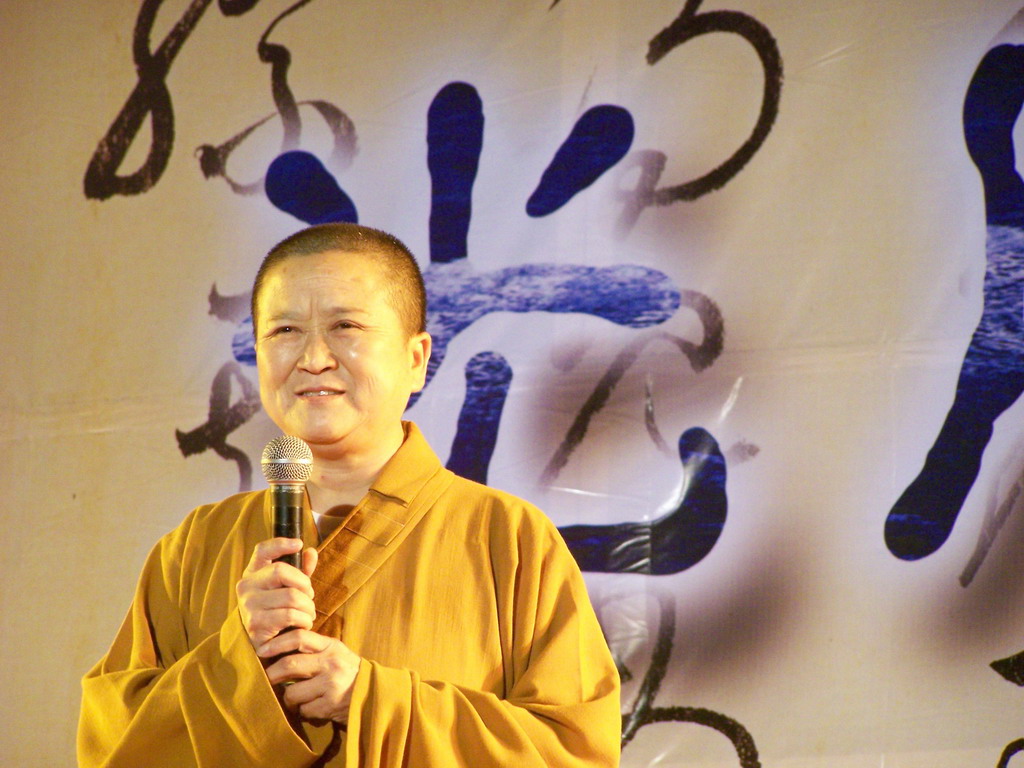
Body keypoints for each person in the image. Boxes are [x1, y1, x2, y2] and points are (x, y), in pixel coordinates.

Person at [78, 222, 621, 767]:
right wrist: (235, 662)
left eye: (345, 326)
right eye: (285, 330)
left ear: (416, 359)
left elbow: (575, 751)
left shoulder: (509, 538)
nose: (313, 357)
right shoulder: (197, 545)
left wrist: (370, 698)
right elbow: (113, 746)